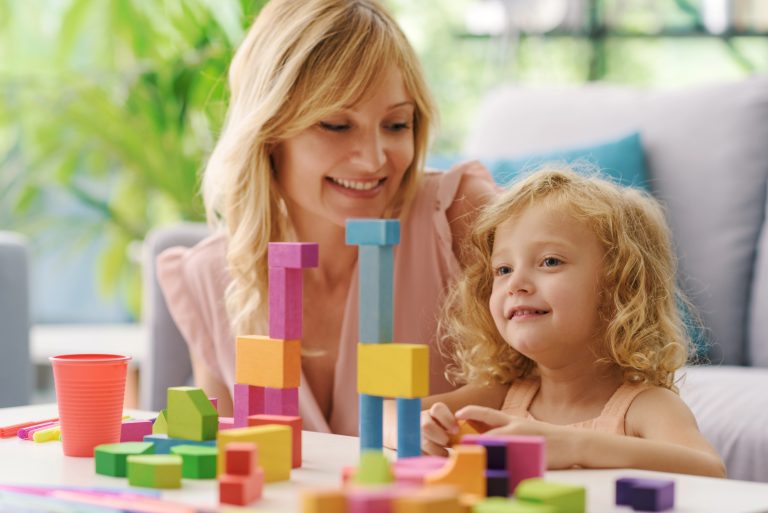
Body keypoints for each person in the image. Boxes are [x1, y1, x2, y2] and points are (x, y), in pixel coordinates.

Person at [156, 0, 497, 435]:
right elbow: (220, 455)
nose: (374, 159)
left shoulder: (458, 216)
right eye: (337, 125)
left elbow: (560, 385)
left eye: (396, 125)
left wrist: (412, 421)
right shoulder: (209, 277)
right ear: (270, 131)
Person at [421, 167, 726, 478]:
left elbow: (710, 470)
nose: (516, 284)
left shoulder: (644, 407)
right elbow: (387, 415)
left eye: (550, 261)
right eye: (503, 269)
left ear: (620, 286)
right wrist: (424, 428)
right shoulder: (501, 396)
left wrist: (575, 446)